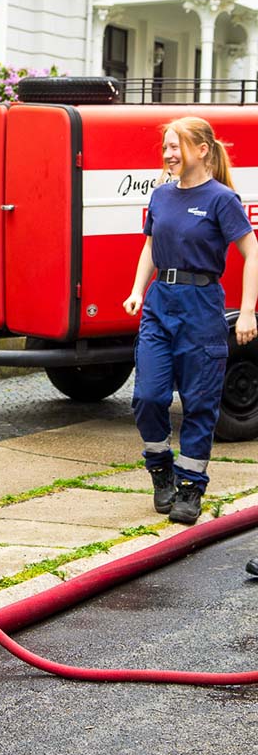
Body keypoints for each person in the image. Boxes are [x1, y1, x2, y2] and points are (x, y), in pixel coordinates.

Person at [123, 116, 258, 527]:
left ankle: (189, 488)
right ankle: (160, 469)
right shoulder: (162, 196)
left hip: (201, 306)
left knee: (199, 402)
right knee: (148, 395)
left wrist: (248, 309)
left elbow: (252, 253)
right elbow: (150, 245)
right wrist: (136, 289)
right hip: (159, 303)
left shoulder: (221, 199)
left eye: (176, 145)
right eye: (165, 146)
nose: (168, 153)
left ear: (201, 150)